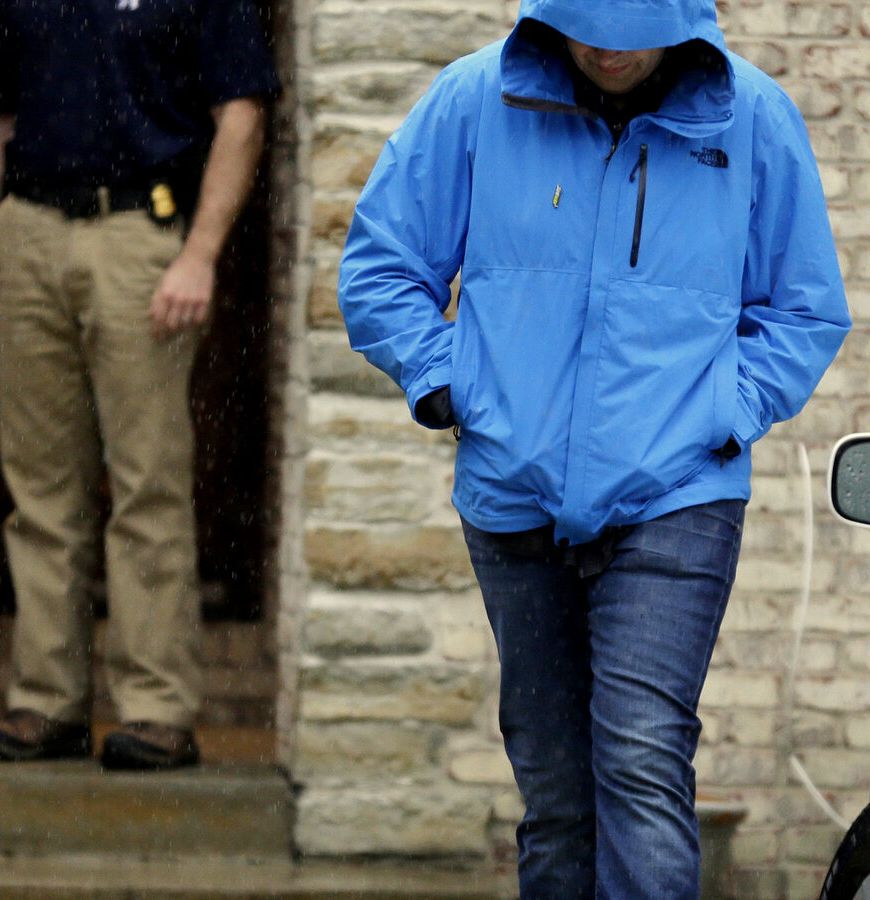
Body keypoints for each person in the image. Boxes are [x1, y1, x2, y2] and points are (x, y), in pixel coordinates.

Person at [338, 0, 850, 895]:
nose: (610, 54)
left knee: (643, 762)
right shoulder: (471, 102)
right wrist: (453, 384)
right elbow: (382, 267)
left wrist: (724, 410)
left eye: (634, 34)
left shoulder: (755, 120)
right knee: (556, 792)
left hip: (678, 495)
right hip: (512, 496)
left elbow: (804, 307)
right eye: (589, 32)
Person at [0, 0, 278, 770]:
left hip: (140, 236)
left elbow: (242, 117)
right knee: (39, 492)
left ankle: (156, 709)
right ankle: (44, 703)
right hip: (28, 233)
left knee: (146, 484)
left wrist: (199, 253)